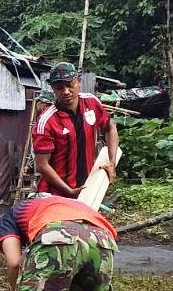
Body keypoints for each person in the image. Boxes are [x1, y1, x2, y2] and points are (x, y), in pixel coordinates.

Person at [33, 62, 119, 197]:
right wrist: (68, 190)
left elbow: (110, 127)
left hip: (86, 188)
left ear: (79, 82)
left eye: (70, 85)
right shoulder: (47, 121)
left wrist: (112, 162)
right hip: (54, 194)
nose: (66, 92)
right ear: (53, 89)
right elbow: (42, 165)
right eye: (60, 88)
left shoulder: (91, 103)